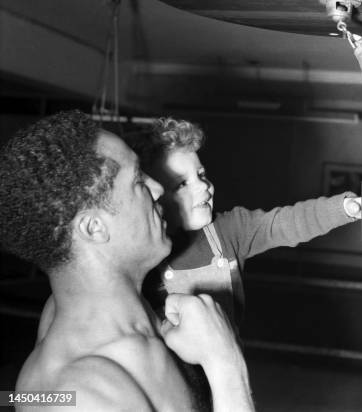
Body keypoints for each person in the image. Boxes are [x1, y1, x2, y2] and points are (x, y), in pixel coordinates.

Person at [0, 111, 254, 412]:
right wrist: (225, 362)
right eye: (138, 180)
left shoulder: (95, 307)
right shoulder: (84, 395)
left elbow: (15, 398)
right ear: (94, 228)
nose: (158, 188)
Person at [131, 117, 362, 325]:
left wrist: (346, 208)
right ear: (152, 194)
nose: (203, 185)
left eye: (201, 174)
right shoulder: (140, 252)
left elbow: (285, 223)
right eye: (182, 183)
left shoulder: (231, 230)